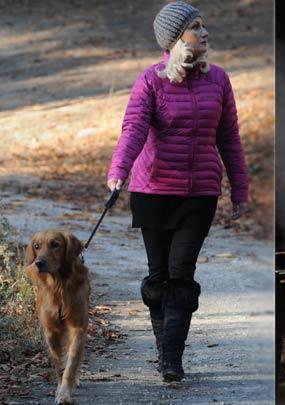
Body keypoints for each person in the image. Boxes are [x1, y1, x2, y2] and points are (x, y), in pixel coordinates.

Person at [107, 1, 249, 382]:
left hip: (200, 194)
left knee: (181, 273)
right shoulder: (150, 80)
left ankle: (171, 359)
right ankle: (162, 344)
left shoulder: (218, 79)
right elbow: (134, 128)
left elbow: (229, 138)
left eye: (203, 26)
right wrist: (119, 170)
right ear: (175, 38)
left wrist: (240, 188)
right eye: (196, 27)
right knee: (158, 276)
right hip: (153, 190)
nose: (205, 33)